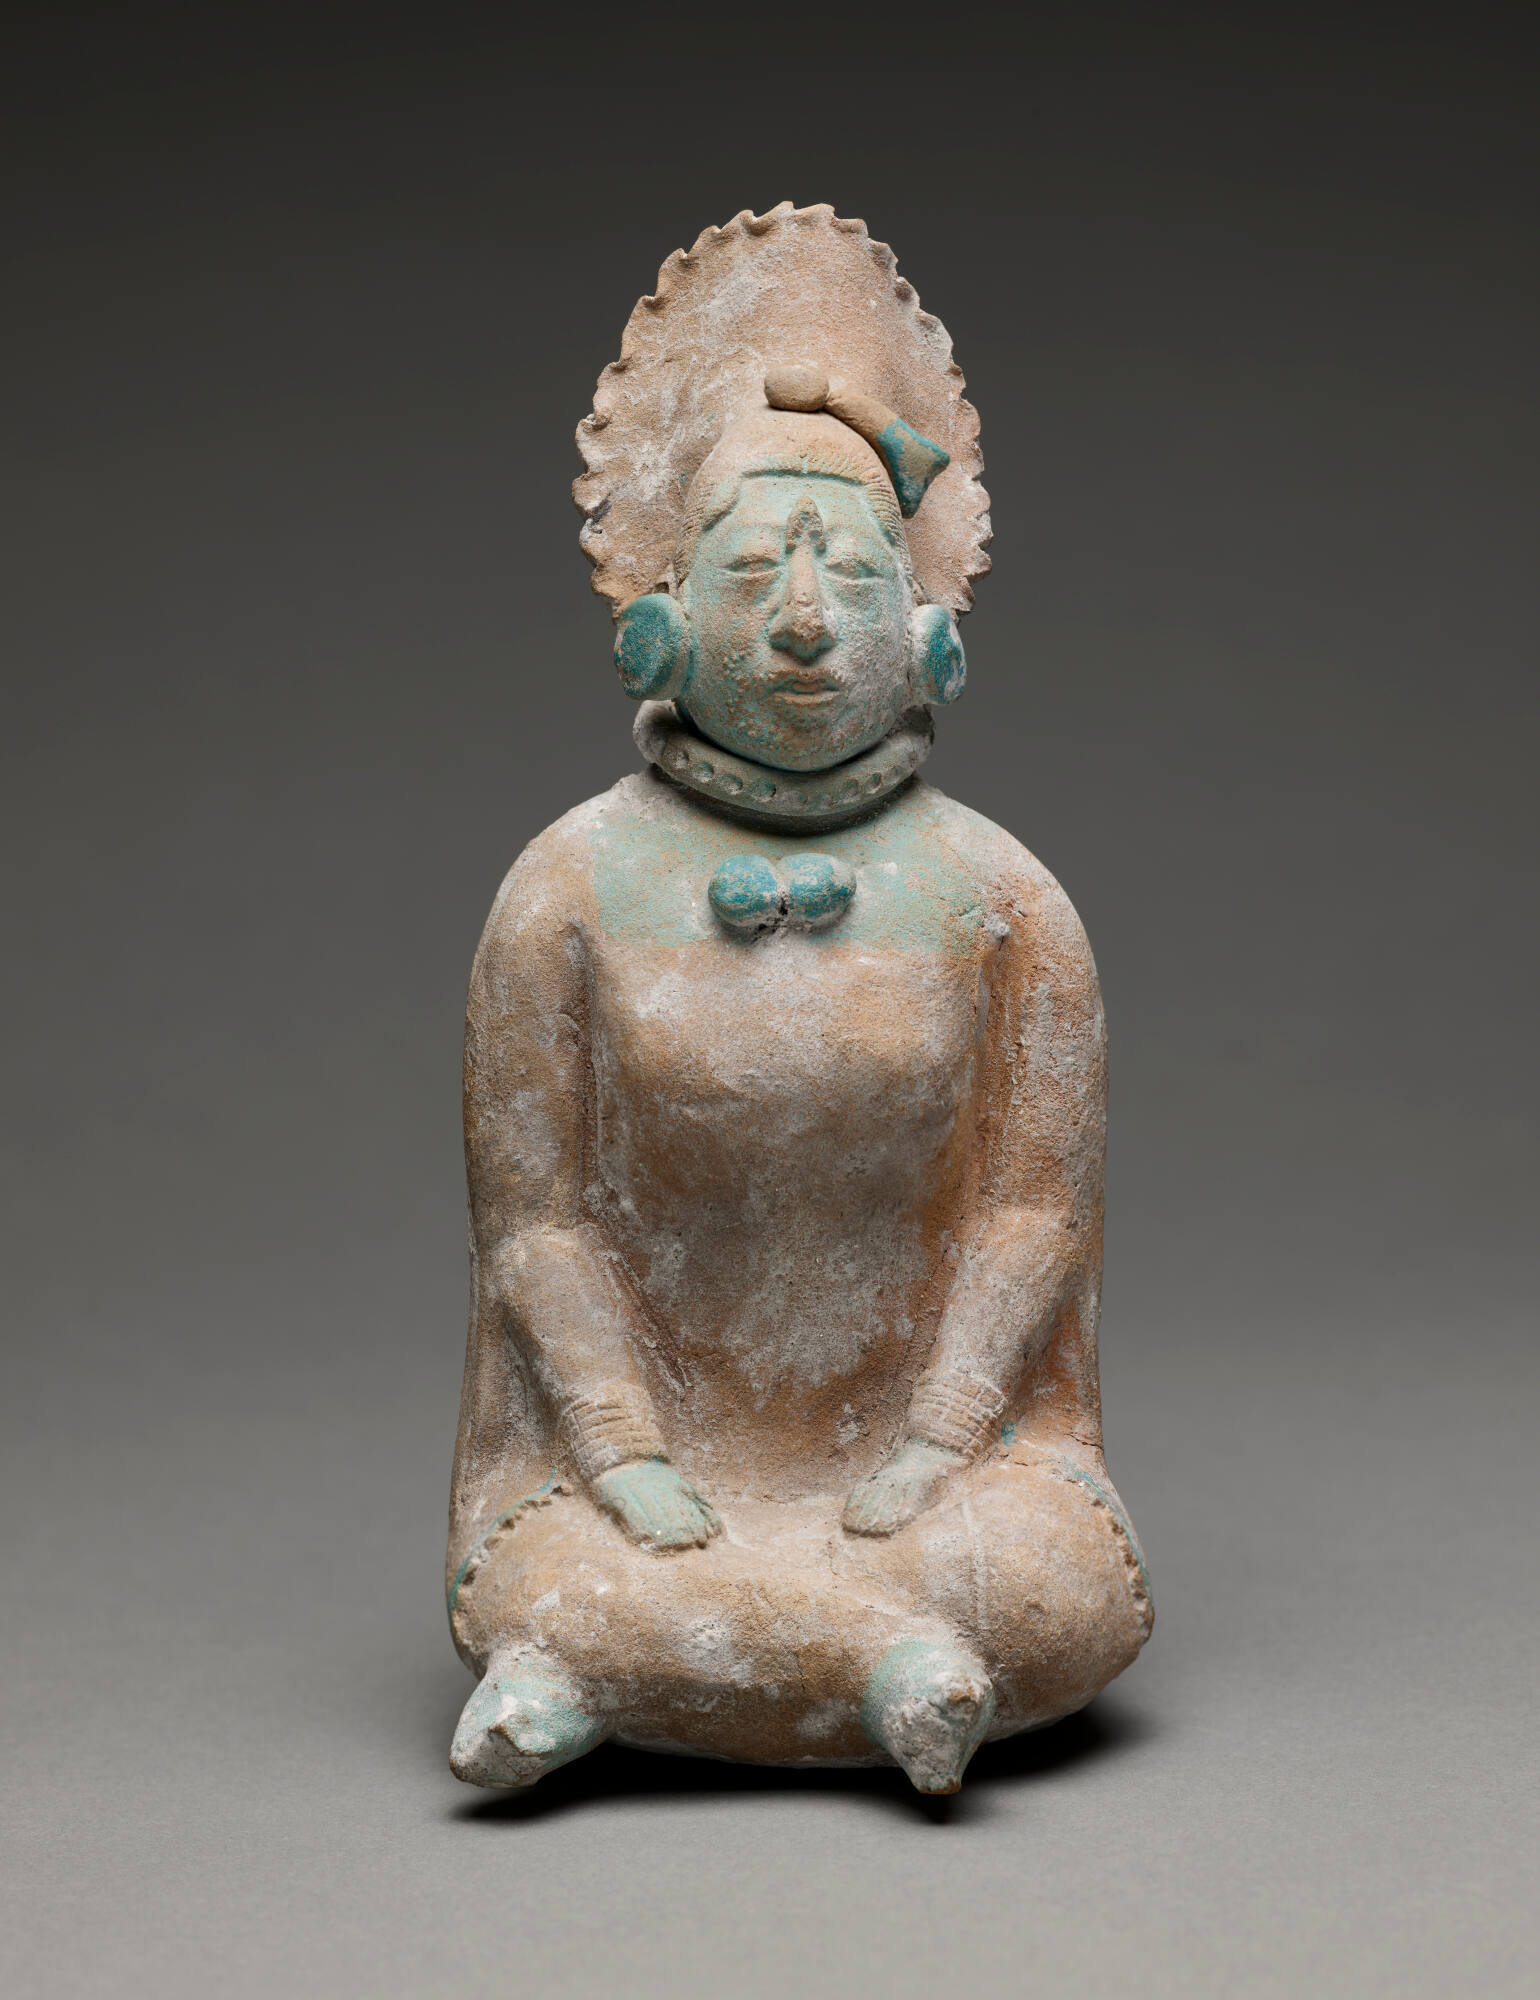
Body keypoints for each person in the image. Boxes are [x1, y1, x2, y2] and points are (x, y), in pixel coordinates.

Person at [446, 207, 1151, 1795]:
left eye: (853, 572)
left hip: (933, 1486)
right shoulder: (566, 890)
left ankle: (616, 1672)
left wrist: (937, 1443)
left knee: (1060, 1587)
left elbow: (1033, 1214)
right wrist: (624, 1457)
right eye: (755, 570)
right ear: (658, 625)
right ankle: (886, 1670)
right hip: (640, 1488)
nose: (809, 620)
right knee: (535, 1564)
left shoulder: (1005, 901)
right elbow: (536, 1227)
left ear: (929, 634)